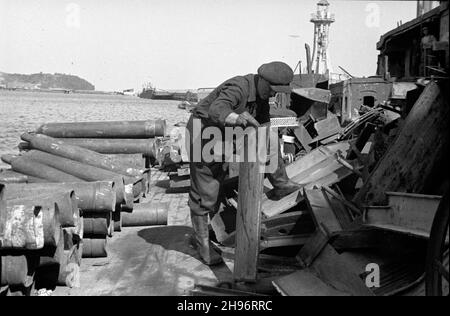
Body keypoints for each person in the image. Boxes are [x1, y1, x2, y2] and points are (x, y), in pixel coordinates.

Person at [186, 61, 301, 265]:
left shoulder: (262, 96)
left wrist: (267, 148)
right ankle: (201, 242)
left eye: (279, 92)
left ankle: (281, 184)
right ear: (262, 81)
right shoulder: (239, 86)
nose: (274, 95)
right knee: (206, 189)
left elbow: (264, 126)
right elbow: (216, 110)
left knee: (269, 139)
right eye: (273, 90)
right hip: (202, 132)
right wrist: (237, 118)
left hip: (225, 133)